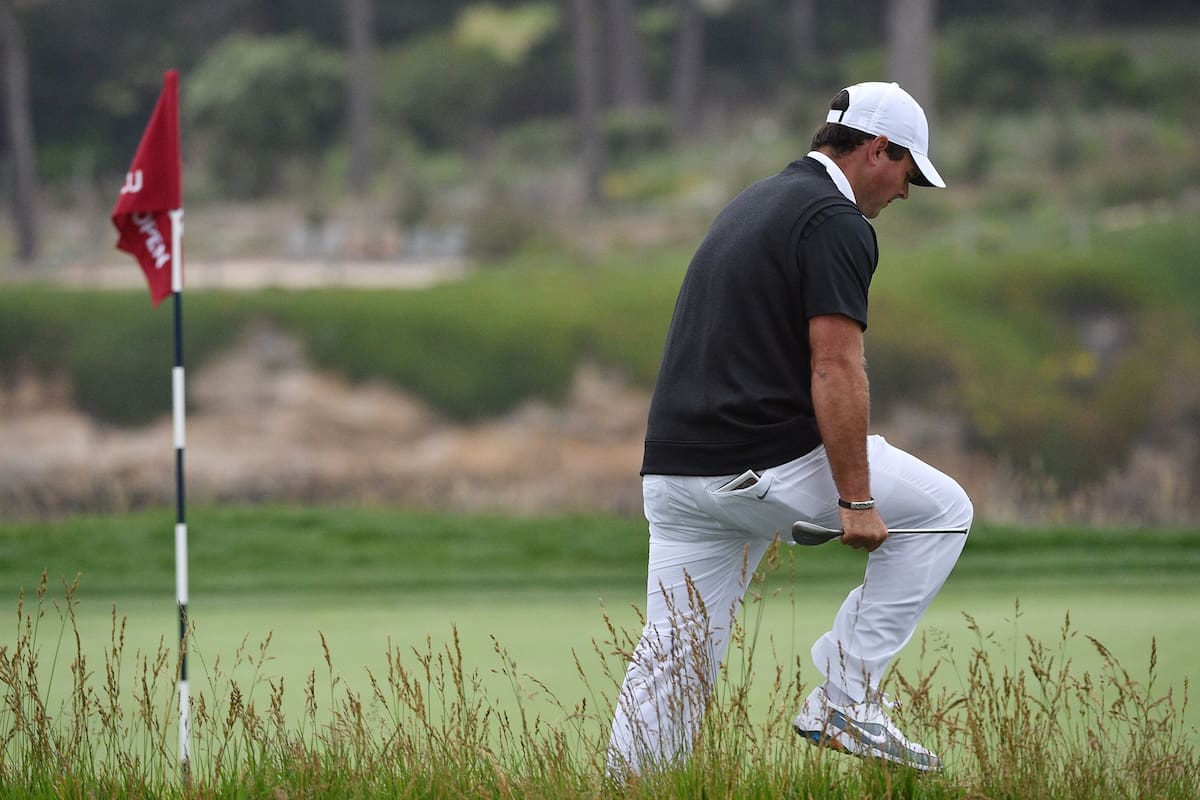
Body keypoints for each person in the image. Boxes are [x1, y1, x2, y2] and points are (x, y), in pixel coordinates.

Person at [607, 81, 973, 776]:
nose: (904, 193)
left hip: (675, 475)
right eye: (907, 173)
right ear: (876, 149)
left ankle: (630, 790)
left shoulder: (753, 202)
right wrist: (857, 501)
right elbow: (836, 367)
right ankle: (848, 699)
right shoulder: (836, 221)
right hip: (761, 463)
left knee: (672, 662)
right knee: (943, 512)